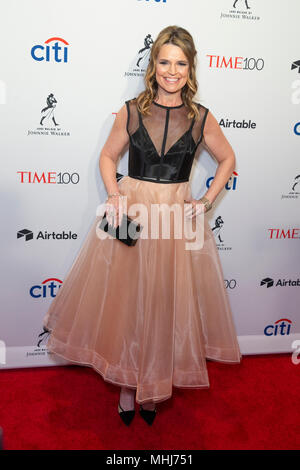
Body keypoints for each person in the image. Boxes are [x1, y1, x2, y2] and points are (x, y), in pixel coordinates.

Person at [43, 25, 242, 427]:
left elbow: (228, 160)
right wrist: (115, 195)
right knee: (128, 305)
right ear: (153, 66)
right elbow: (106, 157)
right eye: (165, 61)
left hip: (173, 221)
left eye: (181, 63)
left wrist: (204, 201)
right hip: (133, 215)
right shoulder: (132, 110)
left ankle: (153, 387)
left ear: (191, 68)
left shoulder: (202, 118)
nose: (172, 71)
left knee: (165, 306)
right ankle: (126, 386)